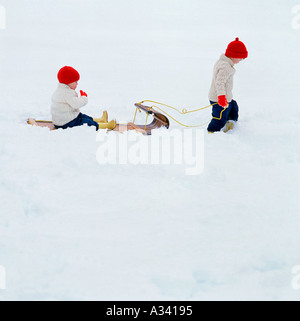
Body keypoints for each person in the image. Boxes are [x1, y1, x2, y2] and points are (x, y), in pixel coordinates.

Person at [51, 66, 116, 131]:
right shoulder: (66, 92)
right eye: (75, 82)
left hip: (64, 119)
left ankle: (101, 120)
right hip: (66, 123)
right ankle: (107, 126)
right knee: (86, 123)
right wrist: (83, 98)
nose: (77, 84)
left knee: (82, 116)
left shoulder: (62, 90)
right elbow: (76, 104)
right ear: (68, 82)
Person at [207, 38, 248, 133]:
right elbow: (219, 83)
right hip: (218, 99)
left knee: (233, 106)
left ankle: (230, 122)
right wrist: (221, 97)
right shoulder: (225, 67)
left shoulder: (224, 63)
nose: (240, 60)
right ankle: (212, 131)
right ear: (234, 55)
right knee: (219, 118)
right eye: (240, 58)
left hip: (225, 97)